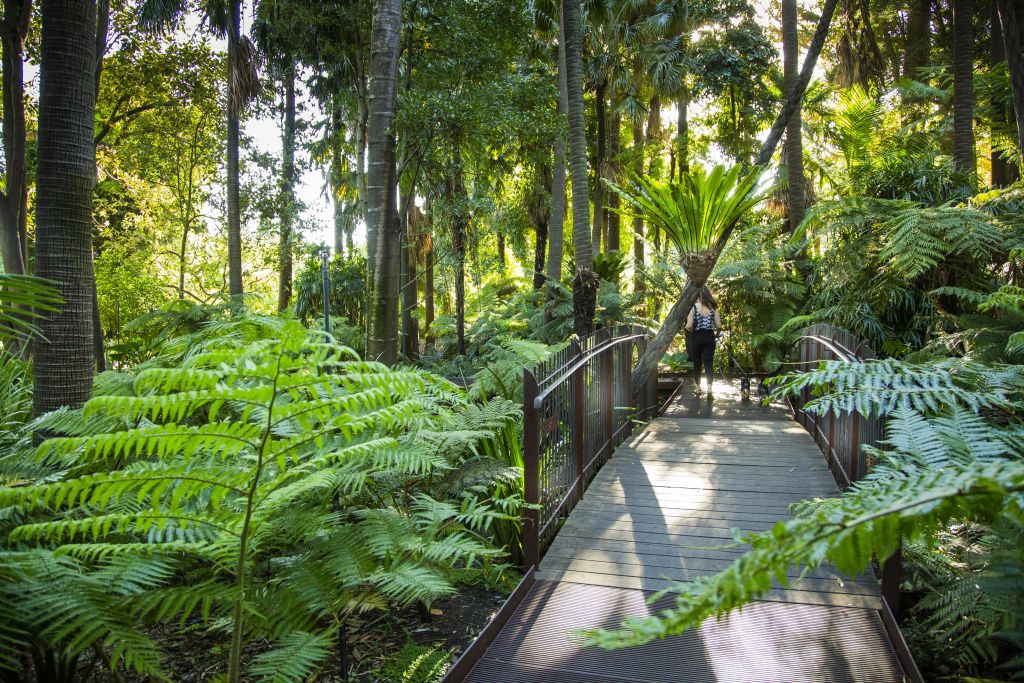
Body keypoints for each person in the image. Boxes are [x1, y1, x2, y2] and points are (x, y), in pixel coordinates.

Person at [685, 286, 722, 399]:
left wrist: (690, 330)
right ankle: (710, 389)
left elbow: (688, 326)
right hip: (709, 337)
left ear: (699, 295)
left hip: (696, 338)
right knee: (708, 363)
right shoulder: (714, 308)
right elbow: (719, 326)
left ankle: (698, 388)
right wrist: (716, 334)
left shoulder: (694, 308)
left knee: (697, 363)